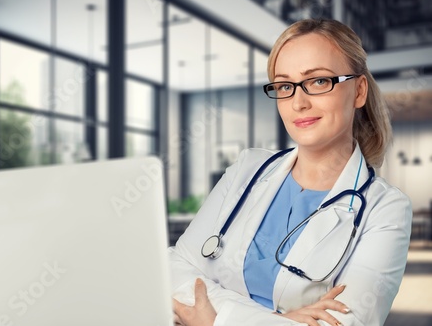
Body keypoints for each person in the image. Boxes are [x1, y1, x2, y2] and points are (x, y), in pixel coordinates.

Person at [169, 18, 412, 326]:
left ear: (359, 91)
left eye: (319, 81)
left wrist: (215, 320)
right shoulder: (248, 168)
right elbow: (175, 267)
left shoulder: (386, 209)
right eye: (285, 86)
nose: (299, 102)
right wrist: (275, 319)